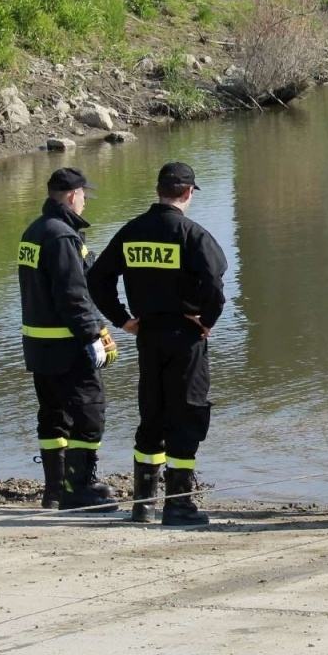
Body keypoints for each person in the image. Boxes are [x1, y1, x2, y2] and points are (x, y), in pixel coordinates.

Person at [90, 162, 228, 527]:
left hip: (148, 336)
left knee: (152, 415)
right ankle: (179, 504)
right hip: (186, 337)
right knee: (187, 415)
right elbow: (215, 285)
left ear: (158, 190)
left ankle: (143, 505)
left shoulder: (132, 231)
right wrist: (207, 322)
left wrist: (122, 319)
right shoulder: (192, 234)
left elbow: (98, 278)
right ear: (187, 193)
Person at [16, 166, 119, 512]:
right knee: (89, 413)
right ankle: (80, 487)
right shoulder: (62, 237)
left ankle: (55, 490)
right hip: (67, 346)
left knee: (53, 416)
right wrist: (96, 334)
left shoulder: (34, 231)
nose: (86, 201)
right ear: (73, 195)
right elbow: (72, 295)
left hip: (40, 347)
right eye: (84, 195)